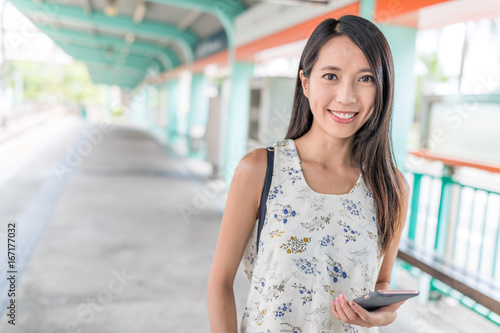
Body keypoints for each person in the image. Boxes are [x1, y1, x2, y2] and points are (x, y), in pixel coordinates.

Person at [207, 15, 410, 333]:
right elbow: (220, 283)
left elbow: (382, 282)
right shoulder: (261, 170)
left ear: (382, 88)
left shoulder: (391, 186)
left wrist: (384, 314)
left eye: (366, 78)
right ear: (305, 82)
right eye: (331, 75)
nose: (347, 96)